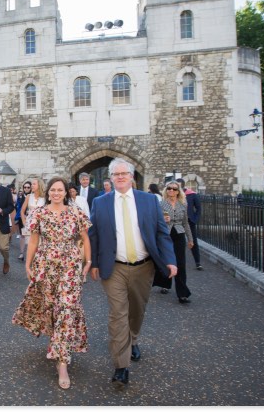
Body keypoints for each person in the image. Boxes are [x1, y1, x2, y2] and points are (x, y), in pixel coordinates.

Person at [88, 157, 177, 389]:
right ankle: (121, 366)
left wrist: (170, 260)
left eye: (123, 174)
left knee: (136, 310)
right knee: (118, 313)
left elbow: (161, 233)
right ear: (111, 178)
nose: (119, 177)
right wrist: (93, 262)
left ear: (131, 176)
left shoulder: (149, 201)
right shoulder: (100, 202)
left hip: (143, 266)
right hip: (114, 266)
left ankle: (133, 338)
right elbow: (94, 234)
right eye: (115, 174)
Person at [12, 177, 92, 390]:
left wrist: (88, 262)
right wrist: (28, 265)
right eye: (53, 190)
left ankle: (62, 362)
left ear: (66, 192)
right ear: (49, 193)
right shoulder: (39, 213)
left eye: (60, 190)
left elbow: (84, 238)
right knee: (52, 309)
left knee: (67, 308)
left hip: (70, 267)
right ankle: (58, 344)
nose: (56, 193)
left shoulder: (76, 212)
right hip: (46, 265)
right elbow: (34, 241)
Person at [154, 181, 194, 304]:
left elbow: (186, 223)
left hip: (179, 234)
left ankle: (182, 294)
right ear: (166, 190)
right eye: (169, 189)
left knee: (180, 264)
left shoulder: (183, 205)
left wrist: (190, 239)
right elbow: (155, 221)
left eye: (174, 189)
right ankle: (165, 284)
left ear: (178, 191)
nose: (171, 191)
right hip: (166, 235)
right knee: (166, 261)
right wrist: (163, 220)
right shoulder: (161, 204)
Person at [177, 178, 203, 270]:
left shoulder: (192, 195)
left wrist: (195, 219)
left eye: (179, 185)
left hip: (189, 221)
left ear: (183, 185)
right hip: (177, 222)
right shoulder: (174, 195)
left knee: (193, 242)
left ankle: (198, 262)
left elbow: (199, 208)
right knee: (179, 242)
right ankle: (178, 262)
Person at [20, 178, 46, 260]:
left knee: (40, 248)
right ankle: (30, 268)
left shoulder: (45, 197)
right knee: (31, 248)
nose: (32, 186)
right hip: (30, 225)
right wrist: (24, 222)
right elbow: (22, 211)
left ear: (39, 185)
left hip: (42, 226)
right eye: (32, 184)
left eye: (34, 184)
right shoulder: (28, 196)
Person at [15, 181, 32, 260]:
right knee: (23, 235)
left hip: (32, 219)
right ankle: (22, 253)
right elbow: (18, 207)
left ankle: (29, 253)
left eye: (28, 187)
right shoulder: (21, 196)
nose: (26, 189)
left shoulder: (33, 196)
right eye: (25, 187)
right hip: (23, 219)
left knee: (31, 236)